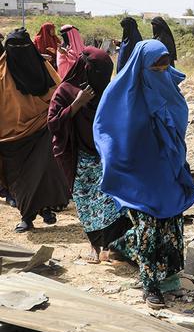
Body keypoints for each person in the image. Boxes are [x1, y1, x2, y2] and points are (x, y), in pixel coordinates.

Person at [94, 40, 194, 308]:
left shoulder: (169, 92)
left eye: (165, 67)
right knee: (148, 229)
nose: (162, 73)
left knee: (171, 224)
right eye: (156, 68)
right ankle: (150, 287)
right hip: (138, 176)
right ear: (142, 67)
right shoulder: (122, 96)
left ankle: (150, 265)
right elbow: (107, 132)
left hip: (166, 172)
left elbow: (179, 129)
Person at [48, 48, 130, 262]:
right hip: (77, 154)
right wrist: (77, 103)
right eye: (98, 72)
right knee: (85, 202)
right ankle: (94, 244)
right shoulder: (65, 91)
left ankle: (114, 246)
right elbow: (53, 124)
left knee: (111, 201)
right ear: (86, 70)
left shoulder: (107, 90)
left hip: (105, 155)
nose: (101, 78)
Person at [0, 29, 69, 232]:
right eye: (15, 48)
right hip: (10, 138)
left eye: (23, 47)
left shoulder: (44, 67)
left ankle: (39, 212)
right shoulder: (2, 71)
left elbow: (59, 94)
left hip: (41, 130)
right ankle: (29, 214)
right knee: (19, 179)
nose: (20, 53)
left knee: (43, 173)